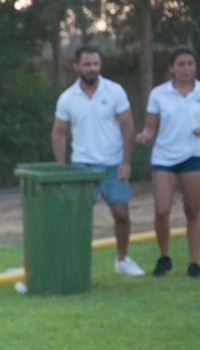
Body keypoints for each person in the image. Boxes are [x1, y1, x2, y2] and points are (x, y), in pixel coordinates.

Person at [51, 44, 145, 276]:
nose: (92, 68)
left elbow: (128, 126)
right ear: (77, 66)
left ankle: (122, 260)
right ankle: (74, 263)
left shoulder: (115, 91)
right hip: (83, 166)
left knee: (122, 215)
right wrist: (62, 168)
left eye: (96, 64)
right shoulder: (67, 98)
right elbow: (59, 132)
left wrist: (126, 162)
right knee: (78, 219)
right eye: (87, 64)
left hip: (114, 164)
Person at [135, 46, 200, 278]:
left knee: (193, 211)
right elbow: (151, 127)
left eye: (190, 64)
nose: (186, 68)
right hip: (164, 157)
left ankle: (194, 262)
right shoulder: (158, 94)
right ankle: (164, 257)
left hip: (193, 156)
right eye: (181, 64)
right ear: (172, 68)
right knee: (162, 210)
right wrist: (144, 136)